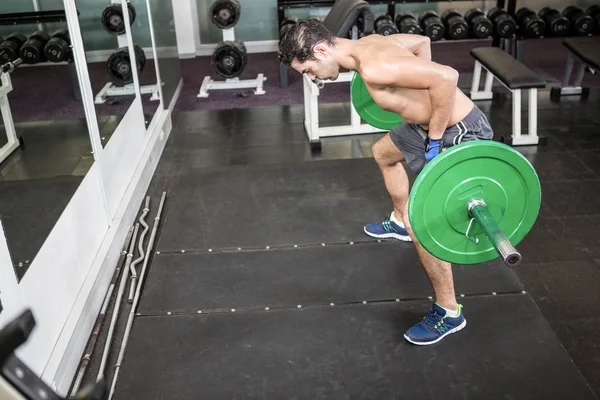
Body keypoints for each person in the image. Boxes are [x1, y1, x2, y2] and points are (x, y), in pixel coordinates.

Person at [278, 19, 493, 345]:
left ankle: (449, 312)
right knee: (383, 153)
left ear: (321, 50)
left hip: (458, 131)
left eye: (309, 70)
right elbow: (421, 42)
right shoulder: (371, 41)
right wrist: (417, 90)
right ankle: (398, 219)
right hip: (423, 127)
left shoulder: (376, 67)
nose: (312, 78)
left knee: (425, 226)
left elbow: (447, 77)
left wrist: (434, 138)